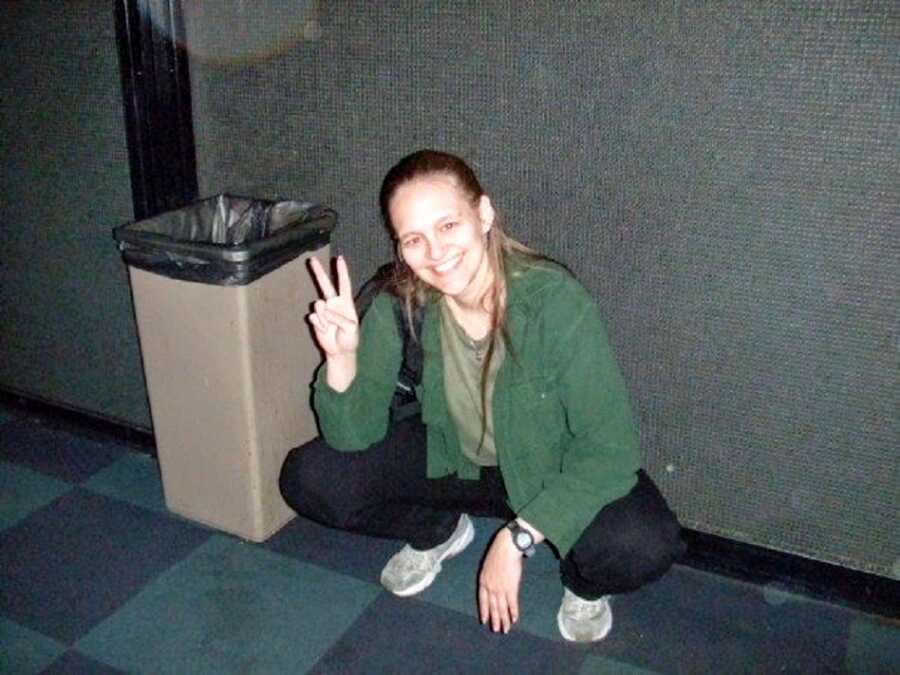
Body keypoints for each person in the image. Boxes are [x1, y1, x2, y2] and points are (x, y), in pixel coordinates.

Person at [280, 149, 685, 642]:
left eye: (448, 226)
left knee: (644, 542)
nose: (435, 253)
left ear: (484, 214)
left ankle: (582, 583)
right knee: (310, 477)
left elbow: (613, 450)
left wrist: (517, 539)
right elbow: (352, 435)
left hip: (545, 467)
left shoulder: (553, 301)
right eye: (414, 239)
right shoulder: (400, 301)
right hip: (452, 460)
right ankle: (439, 531)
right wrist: (341, 358)